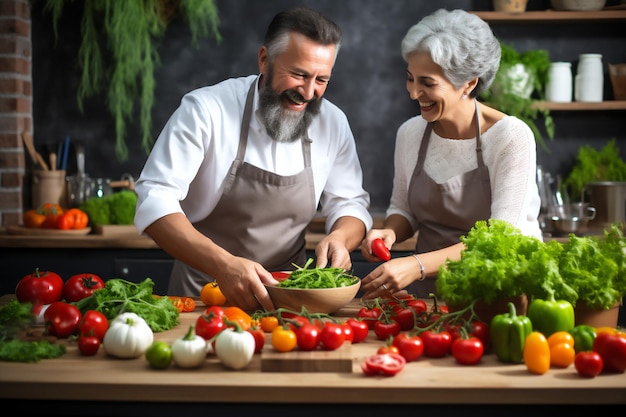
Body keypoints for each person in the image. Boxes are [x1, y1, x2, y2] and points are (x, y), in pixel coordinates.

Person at [134, 7, 372, 311]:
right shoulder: (206, 109)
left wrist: (341, 237)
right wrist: (223, 265)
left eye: (321, 79)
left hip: (292, 300)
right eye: (298, 74)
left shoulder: (333, 122)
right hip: (206, 297)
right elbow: (154, 200)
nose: (309, 92)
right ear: (264, 60)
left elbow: (350, 203)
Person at [359, 9, 542, 300]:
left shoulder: (511, 137)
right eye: (410, 79)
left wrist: (416, 265)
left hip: (499, 298)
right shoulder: (410, 133)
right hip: (429, 296)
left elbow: (501, 239)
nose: (413, 93)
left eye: (428, 84)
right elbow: (403, 209)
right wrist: (389, 232)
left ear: (469, 83)